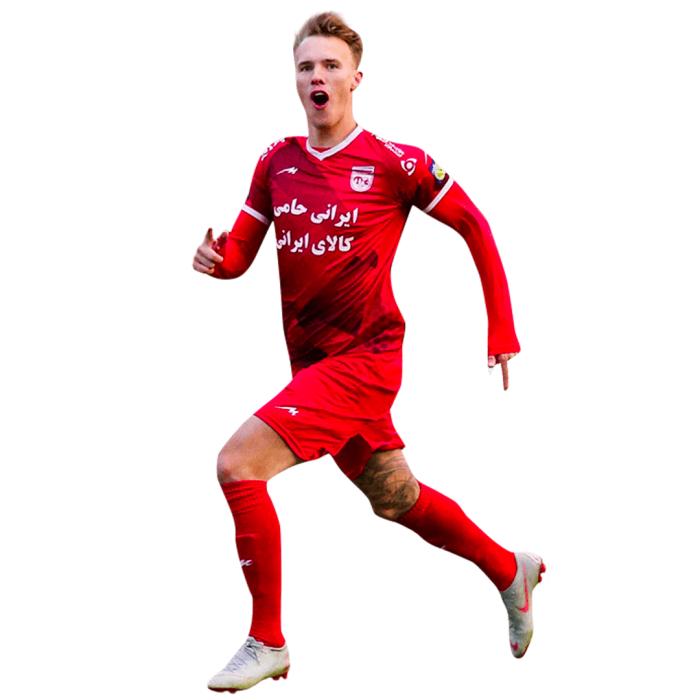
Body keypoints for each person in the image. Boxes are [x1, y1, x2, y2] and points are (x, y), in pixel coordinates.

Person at [194, 10, 545, 693]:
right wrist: (217, 261)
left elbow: (475, 224)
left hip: (366, 359)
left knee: (237, 465)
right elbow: (241, 253)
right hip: (310, 361)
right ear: (294, 80)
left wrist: (501, 330)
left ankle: (268, 641)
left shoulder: (393, 162)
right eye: (306, 66)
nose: (317, 76)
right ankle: (511, 571)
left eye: (330, 65)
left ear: (355, 78)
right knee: (397, 499)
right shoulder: (275, 160)